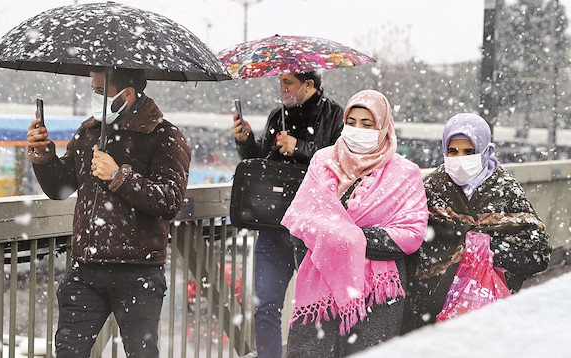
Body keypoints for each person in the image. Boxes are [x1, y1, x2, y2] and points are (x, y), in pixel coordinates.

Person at [26, 68, 191, 357]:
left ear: (126, 94)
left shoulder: (165, 136)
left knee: (141, 353)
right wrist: (44, 155)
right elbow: (61, 188)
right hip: (86, 267)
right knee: (68, 351)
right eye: (94, 89)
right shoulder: (90, 131)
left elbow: (170, 200)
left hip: (138, 270)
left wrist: (119, 176)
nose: (95, 96)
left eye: (101, 91)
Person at [280, 89, 429, 358]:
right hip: (320, 288)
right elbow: (301, 224)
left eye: (367, 124)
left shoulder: (405, 174)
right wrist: (352, 240)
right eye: (352, 122)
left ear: (383, 127)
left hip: (376, 297)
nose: (357, 129)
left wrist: (345, 238)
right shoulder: (322, 162)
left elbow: (410, 235)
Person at [402, 113, 552, 332]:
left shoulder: (505, 190)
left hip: (491, 313)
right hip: (433, 315)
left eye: (469, 152)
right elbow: (413, 242)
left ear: (486, 152)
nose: (460, 159)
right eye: (453, 151)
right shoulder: (433, 188)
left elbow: (538, 254)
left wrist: (488, 250)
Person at [232, 71, 344, 357]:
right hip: (274, 224)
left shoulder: (335, 116)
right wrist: (247, 142)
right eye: (280, 82)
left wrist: (301, 148)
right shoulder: (276, 115)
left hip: (312, 229)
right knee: (266, 307)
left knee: (313, 310)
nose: (282, 88)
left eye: (289, 83)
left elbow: (341, 165)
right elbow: (262, 164)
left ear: (310, 85)